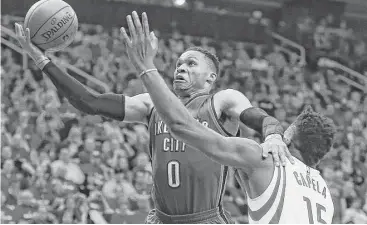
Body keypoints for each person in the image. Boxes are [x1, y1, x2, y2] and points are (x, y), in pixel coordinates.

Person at [15, 14, 292, 223]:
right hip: (161, 219)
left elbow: (259, 117)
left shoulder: (221, 100)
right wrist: (41, 60)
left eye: (191, 63)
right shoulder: (151, 105)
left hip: (205, 219)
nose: (181, 67)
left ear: (211, 77)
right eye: (178, 64)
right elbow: (89, 102)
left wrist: (274, 134)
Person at [120, 12, 336, 223]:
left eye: (285, 134)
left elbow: (180, 125)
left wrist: (146, 66)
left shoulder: (264, 160)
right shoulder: (325, 194)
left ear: (289, 139)